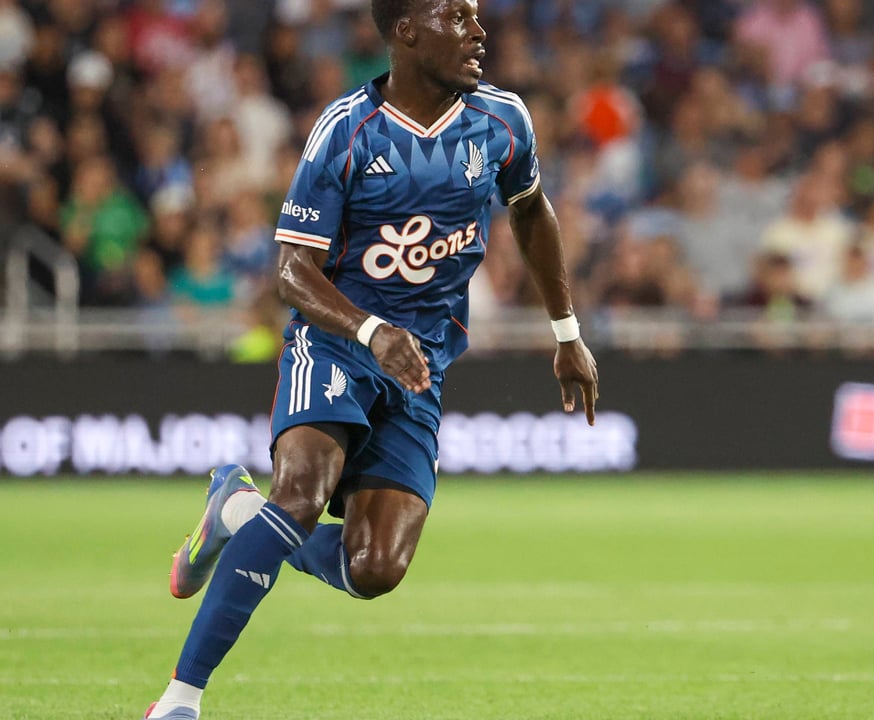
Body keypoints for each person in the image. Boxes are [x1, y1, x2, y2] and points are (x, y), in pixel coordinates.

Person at [140, 1, 599, 717]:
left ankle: (236, 509)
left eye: (477, 16)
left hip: (421, 363)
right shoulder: (347, 130)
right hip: (336, 342)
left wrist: (567, 331)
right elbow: (291, 269)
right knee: (301, 496)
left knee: (375, 569)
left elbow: (531, 209)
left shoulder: (503, 120)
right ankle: (180, 699)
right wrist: (370, 331)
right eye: (458, 16)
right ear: (407, 31)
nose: (479, 32)